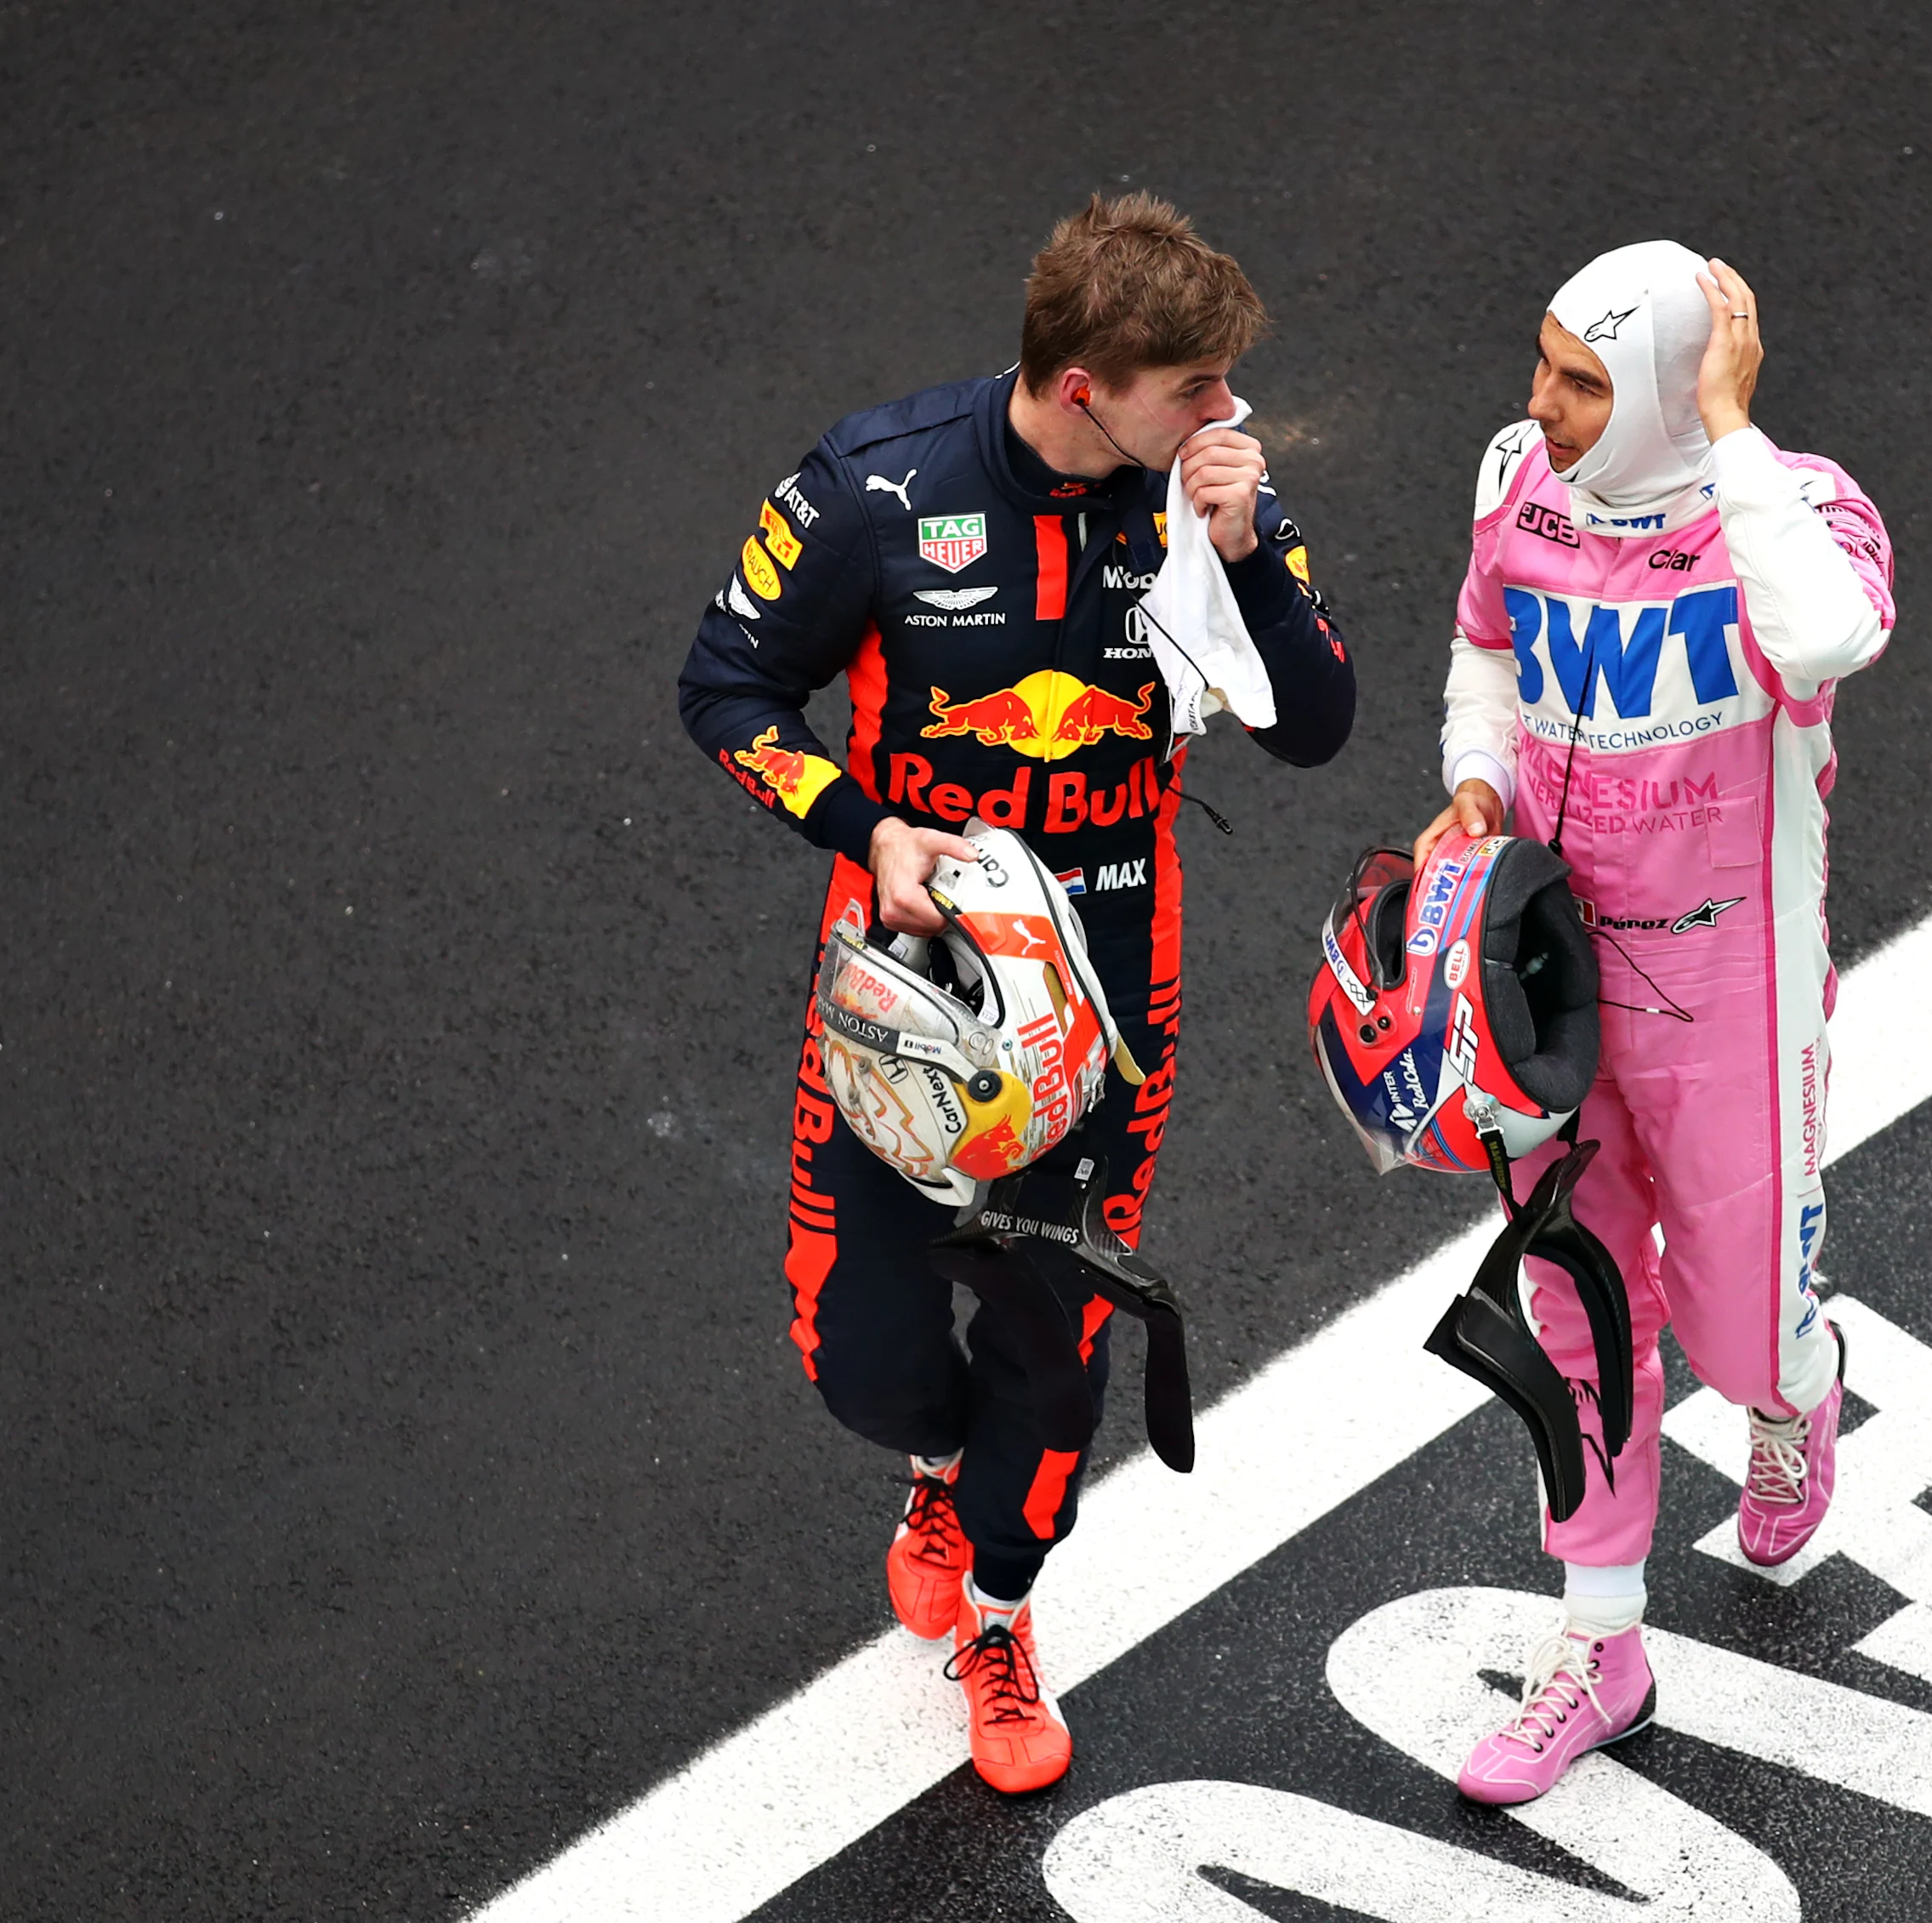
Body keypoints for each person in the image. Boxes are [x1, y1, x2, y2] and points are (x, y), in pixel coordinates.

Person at [679, 193, 1353, 1795]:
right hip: (904, 995)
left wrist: (1250, 553)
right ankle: (931, 1464)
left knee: (1056, 1354)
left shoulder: (1214, 500)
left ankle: (999, 1608)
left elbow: (1314, 728)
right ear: (1082, 386)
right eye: (1194, 386)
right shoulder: (875, 487)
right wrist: (865, 825)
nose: (1228, 415)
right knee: (859, 1354)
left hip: (1112, 1005)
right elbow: (724, 686)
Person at [1411, 240, 1895, 1803]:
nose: (1540, 405)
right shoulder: (1514, 480)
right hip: (1550, 979)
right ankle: (1600, 1641)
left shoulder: (1799, 508)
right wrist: (1476, 777)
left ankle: (1797, 1386)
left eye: (1582, 380)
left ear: (1681, 386)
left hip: (1734, 991)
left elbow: (1825, 642)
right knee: (1578, 1299)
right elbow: (1487, 646)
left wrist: (1734, 437)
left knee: (1737, 1320)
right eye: (1544, 364)